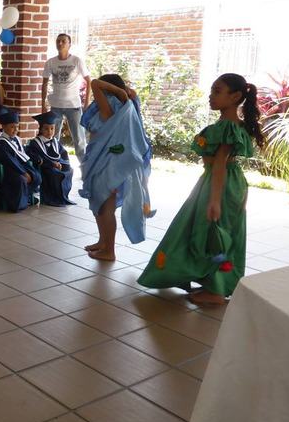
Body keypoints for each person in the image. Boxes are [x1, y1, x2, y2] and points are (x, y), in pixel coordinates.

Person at [138, 74, 263, 306]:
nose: (210, 96)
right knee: (217, 234)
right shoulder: (227, 126)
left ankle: (216, 290)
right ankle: (212, 283)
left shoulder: (227, 127)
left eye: (217, 91)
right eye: (212, 90)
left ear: (235, 97)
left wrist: (214, 199)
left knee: (215, 234)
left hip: (221, 185)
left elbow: (219, 164)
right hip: (227, 183)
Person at [79, 74, 155, 261]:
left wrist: (119, 91)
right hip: (104, 161)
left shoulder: (112, 106)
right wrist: (123, 91)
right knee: (99, 206)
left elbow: (95, 83)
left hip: (109, 166)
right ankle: (103, 242)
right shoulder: (127, 105)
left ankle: (109, 250)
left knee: (105, 208)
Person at [41, 33, 91, 161]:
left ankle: (85, 170)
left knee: (79, 139)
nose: (60, 43)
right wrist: (43, 104)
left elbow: (89, 81)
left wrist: (86, 103)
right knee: (53, 138)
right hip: (55, 106)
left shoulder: (76, 61)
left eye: (63, 41)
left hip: (73, 106)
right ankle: (54, 165)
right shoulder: (51, 62)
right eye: (58, 41)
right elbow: (45, 83)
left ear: (69, 44)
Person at [0, 110, 42, 212]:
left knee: (36, 175)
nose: (15, 129)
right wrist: (23, 172)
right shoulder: (0, 143)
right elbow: (8, 160)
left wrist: (35, 159)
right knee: (21, 179)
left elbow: (24, 153)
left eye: (17, 127)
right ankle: (16, 204)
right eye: (12, 127)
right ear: (4, 127)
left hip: (20, 166)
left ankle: (26, 198)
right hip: (8, 169)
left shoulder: (17, 139)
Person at [26, 111, 75, 207]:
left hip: (56, 165)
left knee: (69, 170)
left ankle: (63, 197)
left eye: (52, 128)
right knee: (55, 173)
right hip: (44, 168)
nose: (49, 131)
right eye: (46, 129)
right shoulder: (35, 143)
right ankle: (52, 198)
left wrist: (62, 163)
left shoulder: (55, 141)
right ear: (41, 129)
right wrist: (52, 163)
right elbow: (38, 158)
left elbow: (63, 154)